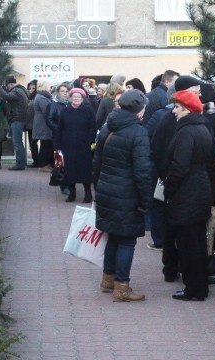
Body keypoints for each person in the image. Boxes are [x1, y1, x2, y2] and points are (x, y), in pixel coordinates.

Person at [92, 89, 153, 302]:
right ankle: (122, 287)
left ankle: (108, 279)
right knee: (126, 240)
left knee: (112, 236)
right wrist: (146, 202)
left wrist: (97, 188)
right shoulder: (138, 132)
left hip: (106, 191)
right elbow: (143, 172)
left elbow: (96, 162)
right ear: (138, 109)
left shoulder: (107, 127)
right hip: (128, 195)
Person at [164, 90, 215, 301]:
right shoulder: (204, 128)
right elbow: (214, 158)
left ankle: (194, 288)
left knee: (188, 244)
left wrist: (169, 188)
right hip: (201, 190)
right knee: (198, 242)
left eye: (177, 107)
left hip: (187, 193)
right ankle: (199, 286)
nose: (174, 111)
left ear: (187, 109)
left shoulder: (186, 131)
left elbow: (180, 166)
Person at [54, 88, 97, 203]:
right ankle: (72, 193)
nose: (76, 98)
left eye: (78, 97)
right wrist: (58, 146)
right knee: (69, 170)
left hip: (84, 146)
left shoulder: (88, 111)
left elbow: (93, 128)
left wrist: (88, 141)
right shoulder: (65, 111)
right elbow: (59, 129)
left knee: (85, 170)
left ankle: (88, 194)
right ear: (70, 98)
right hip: (67, 146)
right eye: (74, 96)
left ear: (82, 99)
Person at [0, 76, 30, 170]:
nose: (7, 88)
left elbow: (6, 96)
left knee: (17, 143)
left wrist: (0, 88)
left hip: (17, 120)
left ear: (11, 84)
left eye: (7, 86)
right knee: (18, 142)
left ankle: (20, 165)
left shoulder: (17, 91)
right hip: (19, 119)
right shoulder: (20, 90)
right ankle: (22, 163)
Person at [32, 80, 56, 173]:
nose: (50, 88)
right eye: (49, 86)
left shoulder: (41, 97)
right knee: (45, 146)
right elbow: (47, 111)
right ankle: (42, 165)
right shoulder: (42, 98)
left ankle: (45, 164)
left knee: (46, 145)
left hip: (43, 125)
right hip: (44, 125)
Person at [25, 80, 40, 168]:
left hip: (35, 124)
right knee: (32, 144)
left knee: (33, 143)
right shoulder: (28, 97)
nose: (31, 90)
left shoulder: (37, 98)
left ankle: (37, 161)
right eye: (29, 88)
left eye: (33, 88)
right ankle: (36, 161)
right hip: (30, 125)